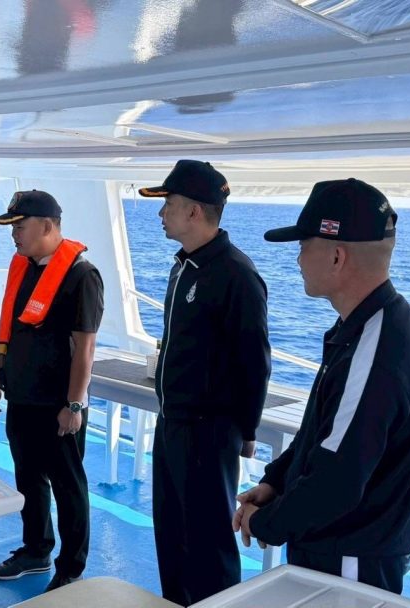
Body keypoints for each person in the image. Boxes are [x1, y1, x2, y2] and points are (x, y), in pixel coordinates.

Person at [234, 178, 410, 594]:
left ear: (337, 256)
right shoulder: (381, 324)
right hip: (349, 549)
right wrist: (275, 482)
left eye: (303, 245)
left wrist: (265, 523)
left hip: (349, 559)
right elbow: (322, 433)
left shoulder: (376, 346)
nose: (298, 259)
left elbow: (337, 483)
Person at [138, 159, 271, 605]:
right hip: (173, 422)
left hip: (209, 431)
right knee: (172, 533)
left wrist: (247, 430)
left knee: (208, 542)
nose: (161, 213)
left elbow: (255, 361)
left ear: (194, 211)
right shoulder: (184, 267)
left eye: (169, 204)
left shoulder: (236, 274)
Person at [0, 190, 103, 592]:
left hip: (58, 405)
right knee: (29, 480)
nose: (14, 234)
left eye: (20, 226)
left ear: (47, 226)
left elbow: (85, 349)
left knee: (68, 487)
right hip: (23, 398)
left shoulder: (82, 276)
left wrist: (74, 404)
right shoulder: (25, 268)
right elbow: (12, 333)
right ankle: (36, 550)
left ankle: (71, 568)